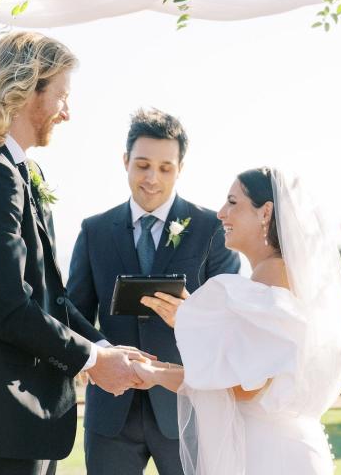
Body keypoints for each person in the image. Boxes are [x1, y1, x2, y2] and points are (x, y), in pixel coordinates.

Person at [0, 31, 144, 475]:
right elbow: (10, 308)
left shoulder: (20, 171)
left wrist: (106, 347)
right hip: (2, 414)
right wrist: (91, 361)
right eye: (62, 96)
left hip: (24, 415)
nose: (67, 113)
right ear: (25, 88)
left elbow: (52, 295)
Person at [136, 167, 341, 475]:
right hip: (289, 449)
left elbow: (240, 389)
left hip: (270, 459)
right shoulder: (284, 284)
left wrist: (156, 374)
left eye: (232, 203)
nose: (221, 213)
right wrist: (163, 363)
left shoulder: (267, 288)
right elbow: (239, 374)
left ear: (265, 212)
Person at [67, 108, 240, 475]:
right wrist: (104, 354)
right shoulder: (94, 230)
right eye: (143, 165)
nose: (152, 178)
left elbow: (231, 315)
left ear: (180, 168)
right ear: (125, 160)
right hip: (110, 411)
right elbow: (72, 309)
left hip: (186, 408)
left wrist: (191, 315)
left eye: (165, 168)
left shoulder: (212, 229)